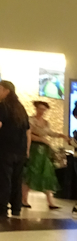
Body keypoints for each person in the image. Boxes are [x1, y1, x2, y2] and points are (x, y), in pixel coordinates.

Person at [23, 100, 67, 210]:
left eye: (44, 109)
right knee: (31, 172)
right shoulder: (31, 120)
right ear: (36, 108)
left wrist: (61, 136)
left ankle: (50, 201)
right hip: (34, 149)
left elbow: (50, 133)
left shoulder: (46, 123)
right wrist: (41, 139)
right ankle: (24, 199)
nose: (42, 111)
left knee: (47, 172)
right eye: (40, 109)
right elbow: (28, 135)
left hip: (44, 150)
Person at [0, 80, 31, 218]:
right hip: (20, 151)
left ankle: (2, 208)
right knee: (17, 180)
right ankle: (16, 208)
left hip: (5, 149)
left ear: (7, 91)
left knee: (4, 179)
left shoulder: (3, 106)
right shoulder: (21, 108)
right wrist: (27, 150)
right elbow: (28, 132)